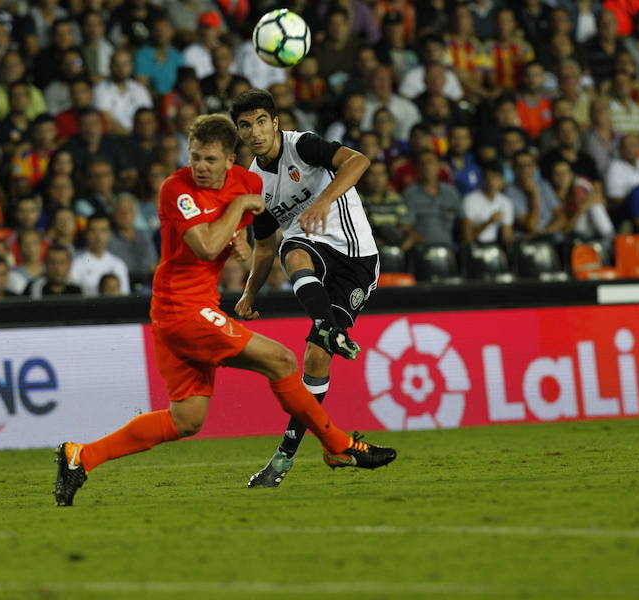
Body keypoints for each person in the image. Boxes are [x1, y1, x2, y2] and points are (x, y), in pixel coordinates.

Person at [52, 114, 395, 506]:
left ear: (231, 159)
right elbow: (206, 246)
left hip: (195, 308)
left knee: (187, 419)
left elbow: (253, 240)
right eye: (195, 157)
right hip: (181, 309)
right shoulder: (176, 190)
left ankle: (81, 456)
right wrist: (238, 212)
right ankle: (338, 445)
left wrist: (243, 253)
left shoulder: (246, 183)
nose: (200, 167)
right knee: (282, 360)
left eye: (210, 160)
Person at [230, 89, 382, 487]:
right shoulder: (255, 184)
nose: (255, 131)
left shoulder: (304, 145)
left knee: (316, 359)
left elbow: (358, 160)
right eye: (246, 125)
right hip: (309, 249)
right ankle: (282, 463)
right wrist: (249, 294)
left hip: (357, 259)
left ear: (275, 122)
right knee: (290, 247)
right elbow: (263, 248)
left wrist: (323, 202)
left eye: (261, 121)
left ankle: (327, 449)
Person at [69, 215, 130, 296]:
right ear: (86, 234)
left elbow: (125, 296)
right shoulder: (76, 263)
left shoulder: (119, 264)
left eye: (103, 231)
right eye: (93, 231)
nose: (98, 236)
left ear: (110, 234)